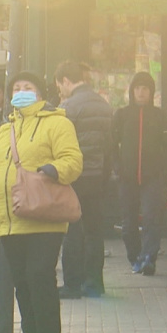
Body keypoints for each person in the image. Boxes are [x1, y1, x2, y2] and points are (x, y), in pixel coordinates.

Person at [0, 72, 83, 333]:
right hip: (8, 217)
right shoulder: (6, 129)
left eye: (27, 87)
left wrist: (50, 171)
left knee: (40, 275)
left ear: (41, 93)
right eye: (16, 88)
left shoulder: (58, 122)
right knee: (22, 281)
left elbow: (73, 160)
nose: (21, 91)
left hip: (42, 214)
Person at [53, 61, 112, 298]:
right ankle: (95, 282)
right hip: (97, 175)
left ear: (67, 81)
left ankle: (72, 284)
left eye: (60, 87)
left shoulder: (68, 106)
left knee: (72, 231)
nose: (61, 92)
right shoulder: (103, 104)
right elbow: (109, 142)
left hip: (75, 176)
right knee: (94, 231)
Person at [112, 72, 167, 276]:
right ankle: (135, 257)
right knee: (128, 223)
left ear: (151, 92)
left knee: (151, 219)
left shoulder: (160, 116)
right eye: (137, 88)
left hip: (152, 177)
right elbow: (112, 144)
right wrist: (117, 168)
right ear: (132, 91)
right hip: (126, 178)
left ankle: (148, 258)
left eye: (145, 89)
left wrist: (164, 172)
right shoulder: (121, 115)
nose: (141, 92)